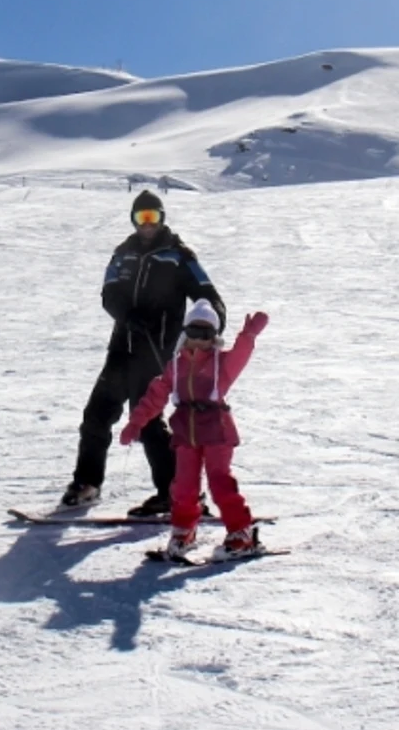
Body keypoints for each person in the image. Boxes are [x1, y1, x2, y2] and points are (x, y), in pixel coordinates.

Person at [60, 189, 225, 516]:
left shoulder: (179, 256)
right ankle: (87, 484)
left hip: (157, 351)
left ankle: (177, 493)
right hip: (122, 348)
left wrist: (209, 329)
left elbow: (209, 297)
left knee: (148, 420)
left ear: (162, 218)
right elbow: (109, 293)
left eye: (153, 217)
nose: (147, 225)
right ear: (134, 220)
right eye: (141, 218)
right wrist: (127, 315)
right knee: (96, 416)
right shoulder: (123, 253)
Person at [120, 303, 269, 560]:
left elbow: (240, 355)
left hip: (215, 429)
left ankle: (241, 533)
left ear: (214, 337)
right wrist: (137, 422)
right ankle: (183, 531)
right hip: (185, 431)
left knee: (219, 481)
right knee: (184, 487)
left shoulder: (221, 364)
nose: (199, 341)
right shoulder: (176, 366)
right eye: (193, 332)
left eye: (205, 334)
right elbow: (156, 395)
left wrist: (248, 336)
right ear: (185, 332)